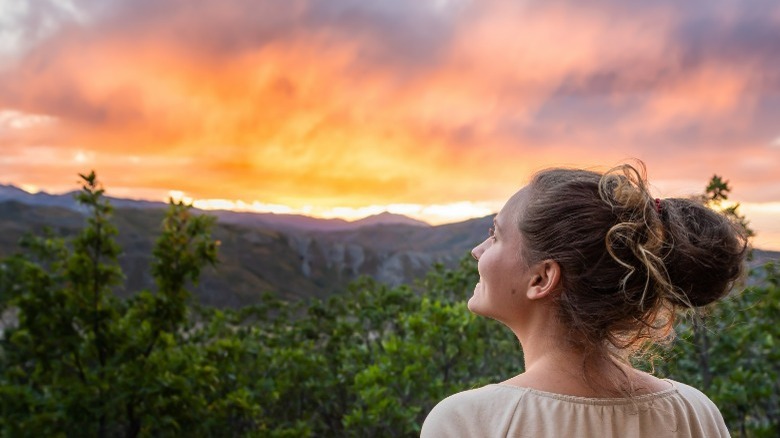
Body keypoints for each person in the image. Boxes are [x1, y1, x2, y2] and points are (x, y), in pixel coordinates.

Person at [421, 163, 747, 438]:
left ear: (542, 278)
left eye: (496, 235)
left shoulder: (468, 423)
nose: (477, 250)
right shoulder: (694, 414)